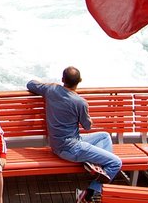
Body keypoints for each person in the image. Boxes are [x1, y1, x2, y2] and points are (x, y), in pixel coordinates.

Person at [26, 67, 122, 203]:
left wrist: (47, 84)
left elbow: (30, 84)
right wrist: (89, 118)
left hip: (57, 145)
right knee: (115, 162)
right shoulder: (80, 102)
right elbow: (88, 127)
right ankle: (89, 194)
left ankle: (98, 167)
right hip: (72, 148)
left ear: (62, 79)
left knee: (104, 136)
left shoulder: (51, 90)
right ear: (80, 81)